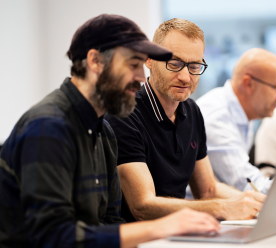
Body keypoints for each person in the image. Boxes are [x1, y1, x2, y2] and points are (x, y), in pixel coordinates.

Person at [0, 14, 220, 248]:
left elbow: (110, 221)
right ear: (95, 61)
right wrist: (161, 227)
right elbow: (52, 237)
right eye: (132, 65)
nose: (140, 79)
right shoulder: (48, 128)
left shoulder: (103, 130)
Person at [106, 18, 265, 223]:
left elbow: (208, 190)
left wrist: (259, 202)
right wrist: (223, 207)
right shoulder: (125, 112)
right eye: (174, 64)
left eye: (195, 66)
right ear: (149, 61)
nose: (185, 77)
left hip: (180, 231)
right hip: (141, 238)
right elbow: (142, 206)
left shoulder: (192, 111)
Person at [196, 48, 276, 193]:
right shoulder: (217, 117)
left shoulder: (243, 113)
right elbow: (249, 186)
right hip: (198, 212)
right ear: (248, 83)